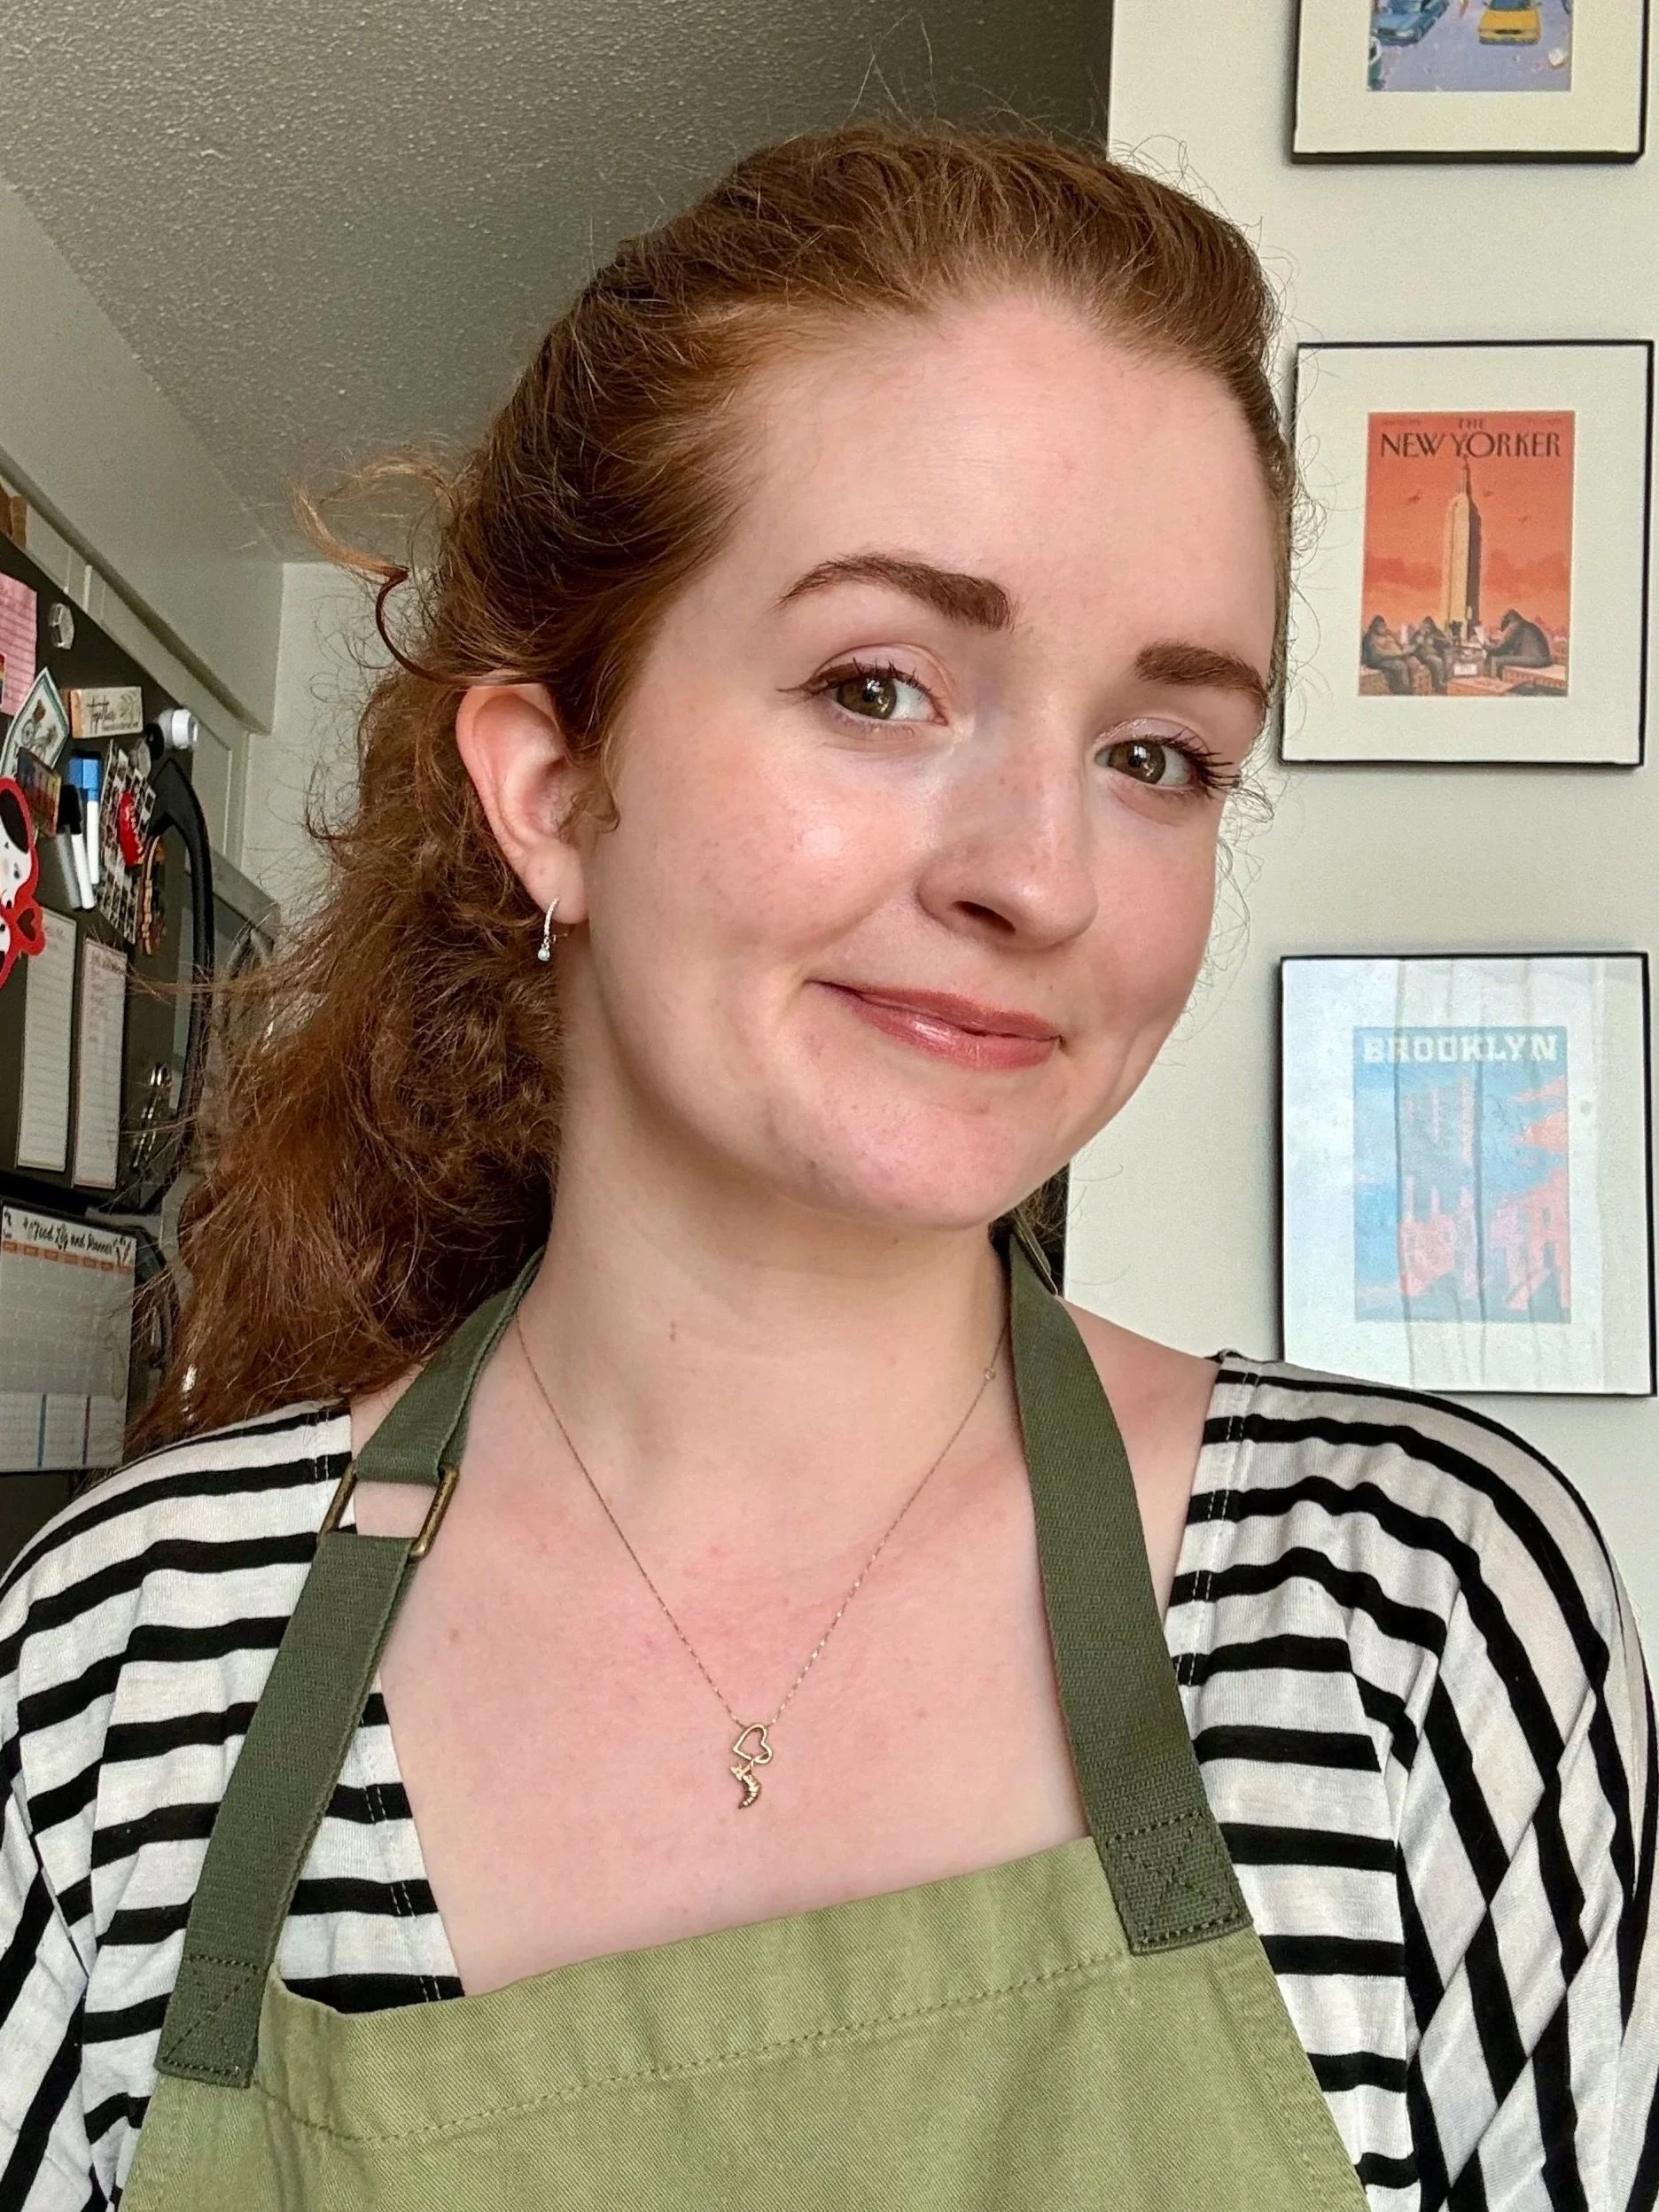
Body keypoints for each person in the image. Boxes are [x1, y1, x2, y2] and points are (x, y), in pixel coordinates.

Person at [1, 122, 1654, 2210]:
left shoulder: (1413, 1627)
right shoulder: (113, 1683)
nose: (1042, 878)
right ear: (552, 789)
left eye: (1158, 755)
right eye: (880, 686)